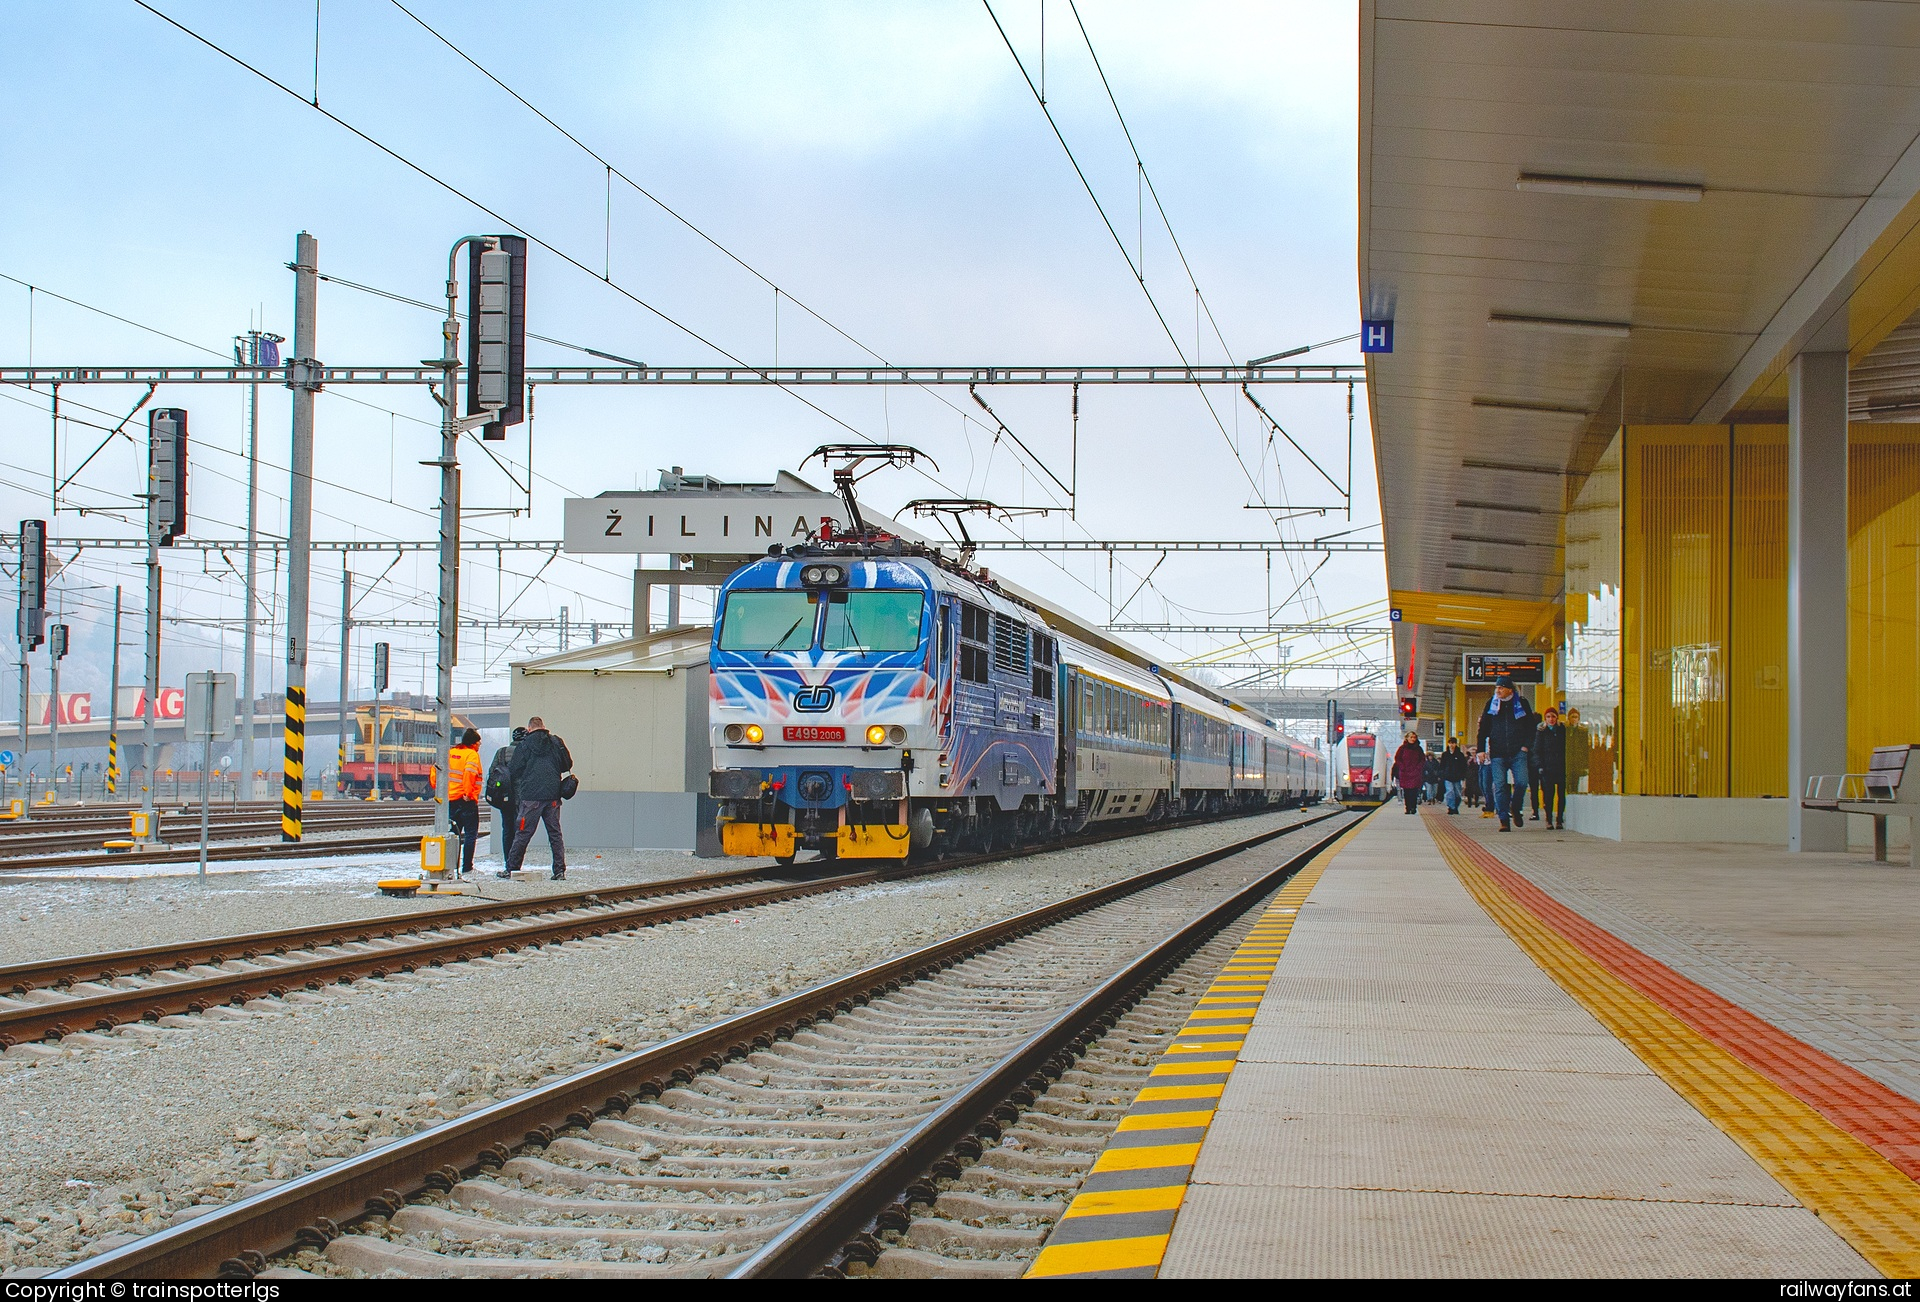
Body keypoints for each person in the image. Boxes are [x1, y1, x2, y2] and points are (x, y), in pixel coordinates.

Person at [504, 716, 574, 881]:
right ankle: (559, 871)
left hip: (531, 797)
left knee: (523, 833)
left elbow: (514, 769)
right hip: (553, 796)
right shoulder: (556, 742)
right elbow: (567, 765)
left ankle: (512, 868)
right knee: (555, 834)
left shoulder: (525, 744)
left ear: (529, 729)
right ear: (544, 727)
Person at [1476, 675, 1536, 831]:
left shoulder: (1521, 703)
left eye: (1501, 688)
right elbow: (1483, 728)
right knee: (1501, 786)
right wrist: (1481, 750)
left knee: (1522, 782)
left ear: (1510, 689)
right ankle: (1503, 819)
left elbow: (1531, 727)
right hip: (1497, 753)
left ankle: (1515, 808)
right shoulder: (1491, 704)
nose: (1498, 690)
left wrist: (1526, 746)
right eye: (1496, 688)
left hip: (1518, 751)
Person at [446, 727, 484, 877]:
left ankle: (451, 867)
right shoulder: (472, 755)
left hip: (451, 800)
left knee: (454, 835)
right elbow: (469, 774)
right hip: (466, 800)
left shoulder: (450, 753)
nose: (479, 746)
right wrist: (468, 793)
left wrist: (442, 790)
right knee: (470, 835)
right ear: (474, 744)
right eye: (479, 743)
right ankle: (467, 867)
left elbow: (436, 772)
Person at [1534, 707, 1568, 830]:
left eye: (1553, 716)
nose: (1551, 719)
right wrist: (1540, 766)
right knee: (1548, 795)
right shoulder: (1541, 731)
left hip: (1561, 767)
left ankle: (1559, 819)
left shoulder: (1562, 730)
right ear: (1545, 718)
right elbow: (1537, 750)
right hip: (1547, 768)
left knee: (1561, 795)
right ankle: (1549, 819)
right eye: (1548, 717)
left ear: (1557, 717)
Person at [1392, 733, 1427, 815]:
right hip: (1405, 773)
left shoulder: (1419, 749)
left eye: (1414, 737)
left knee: (1414, 791)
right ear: (1407, 738)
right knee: (1406, 791)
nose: (1413, 739)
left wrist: (1418, 768)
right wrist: (1402, 767)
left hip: (1415, 773)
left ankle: (1413, 807)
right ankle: (1408, 808)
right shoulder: (1402, 749)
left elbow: (1422, 760)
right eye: (1411, 737)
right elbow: (1397, 759)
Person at [1441, 737, 1470, 814]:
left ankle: (1455, 806)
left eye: (1453, 743)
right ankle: (1451, 807)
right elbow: (1442, 766)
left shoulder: (1460, 755)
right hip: (1448, 777)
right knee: (1450, 792)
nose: (1452, 745)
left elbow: (1464, 766)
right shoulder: (1445, 754)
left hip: (1457, 777)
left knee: (1457, 794)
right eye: (1450, 743)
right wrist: (1442, 774)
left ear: (1456, 744)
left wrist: (1463, 776)